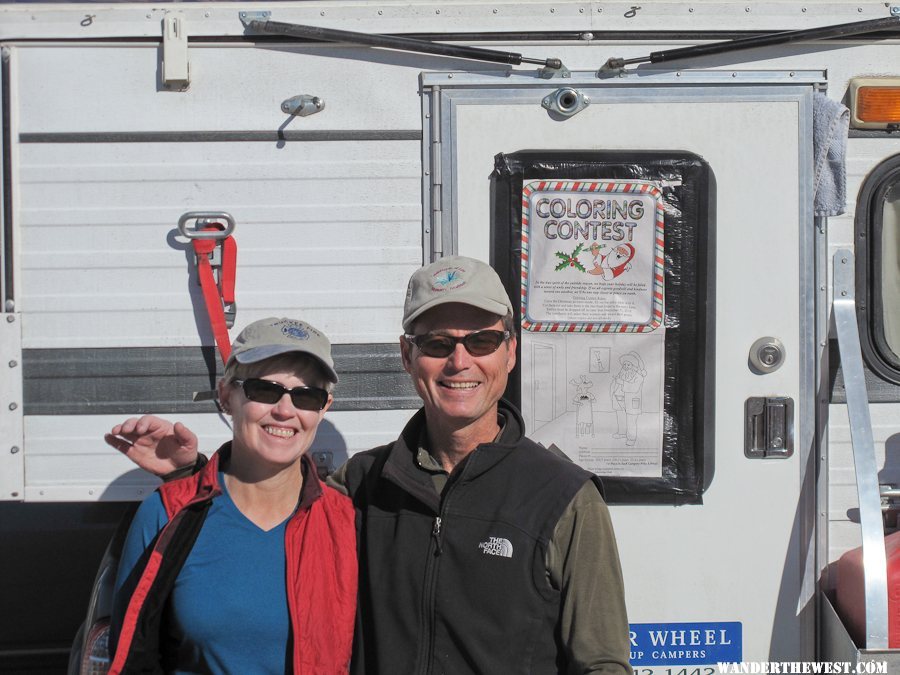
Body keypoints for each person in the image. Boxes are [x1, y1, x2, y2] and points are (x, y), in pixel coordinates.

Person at [113, 256, 632, 674]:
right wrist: (192, 478)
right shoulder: (360, 485)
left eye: (481, 341)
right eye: (436, 343)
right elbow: (261, 499)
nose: (459, 361)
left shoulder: (563, 498)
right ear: (407, 357)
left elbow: (603, 664)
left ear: (510, 353)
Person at [105, 318, 357, 675]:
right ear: (226, 396)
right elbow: (133, 658)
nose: (285, 410)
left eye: (306, 396)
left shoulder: (347, 522)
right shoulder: (167, 514)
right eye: (264, 390)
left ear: (324, 407)